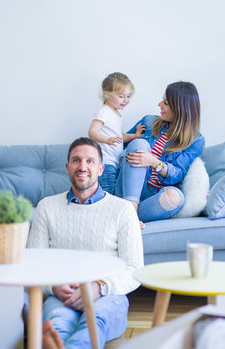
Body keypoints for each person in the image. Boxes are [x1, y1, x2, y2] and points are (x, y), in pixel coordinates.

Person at [27, 137, 144, 349]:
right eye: (76, 160)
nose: (82, 167)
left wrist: (99, 288)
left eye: (90, 161)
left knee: (93, 326)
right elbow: (33, 266)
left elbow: (135, 269)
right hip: (62, 294)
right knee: (57, 325)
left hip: (108, 295)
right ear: (67, 167)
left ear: (100, 169)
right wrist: (53, 286)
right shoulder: (46, 207)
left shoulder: (123, 209)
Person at [115, 81, 205, 226]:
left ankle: (125, 217)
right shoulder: (148, 121)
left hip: (153, 198)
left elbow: (178, 174)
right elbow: (118, 145)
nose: (159, 104)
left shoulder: (196, 140)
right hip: (127, 190)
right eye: (162, 99)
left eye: (166, 103)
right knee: (140, 144)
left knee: (177, 198)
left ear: (180, 109)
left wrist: (154, 162)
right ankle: (130, 210)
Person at [88, 72, 145, 194]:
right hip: (105, 162)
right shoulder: (104, 112)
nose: (126, 100)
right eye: (121, 96)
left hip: (113, 163)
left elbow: (119, 137)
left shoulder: (117, 115)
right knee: (108, 195)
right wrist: (107, 140)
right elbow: (92, 132)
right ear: (106, 94)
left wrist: (135, 136)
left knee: (111, 194)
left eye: (129, 96)